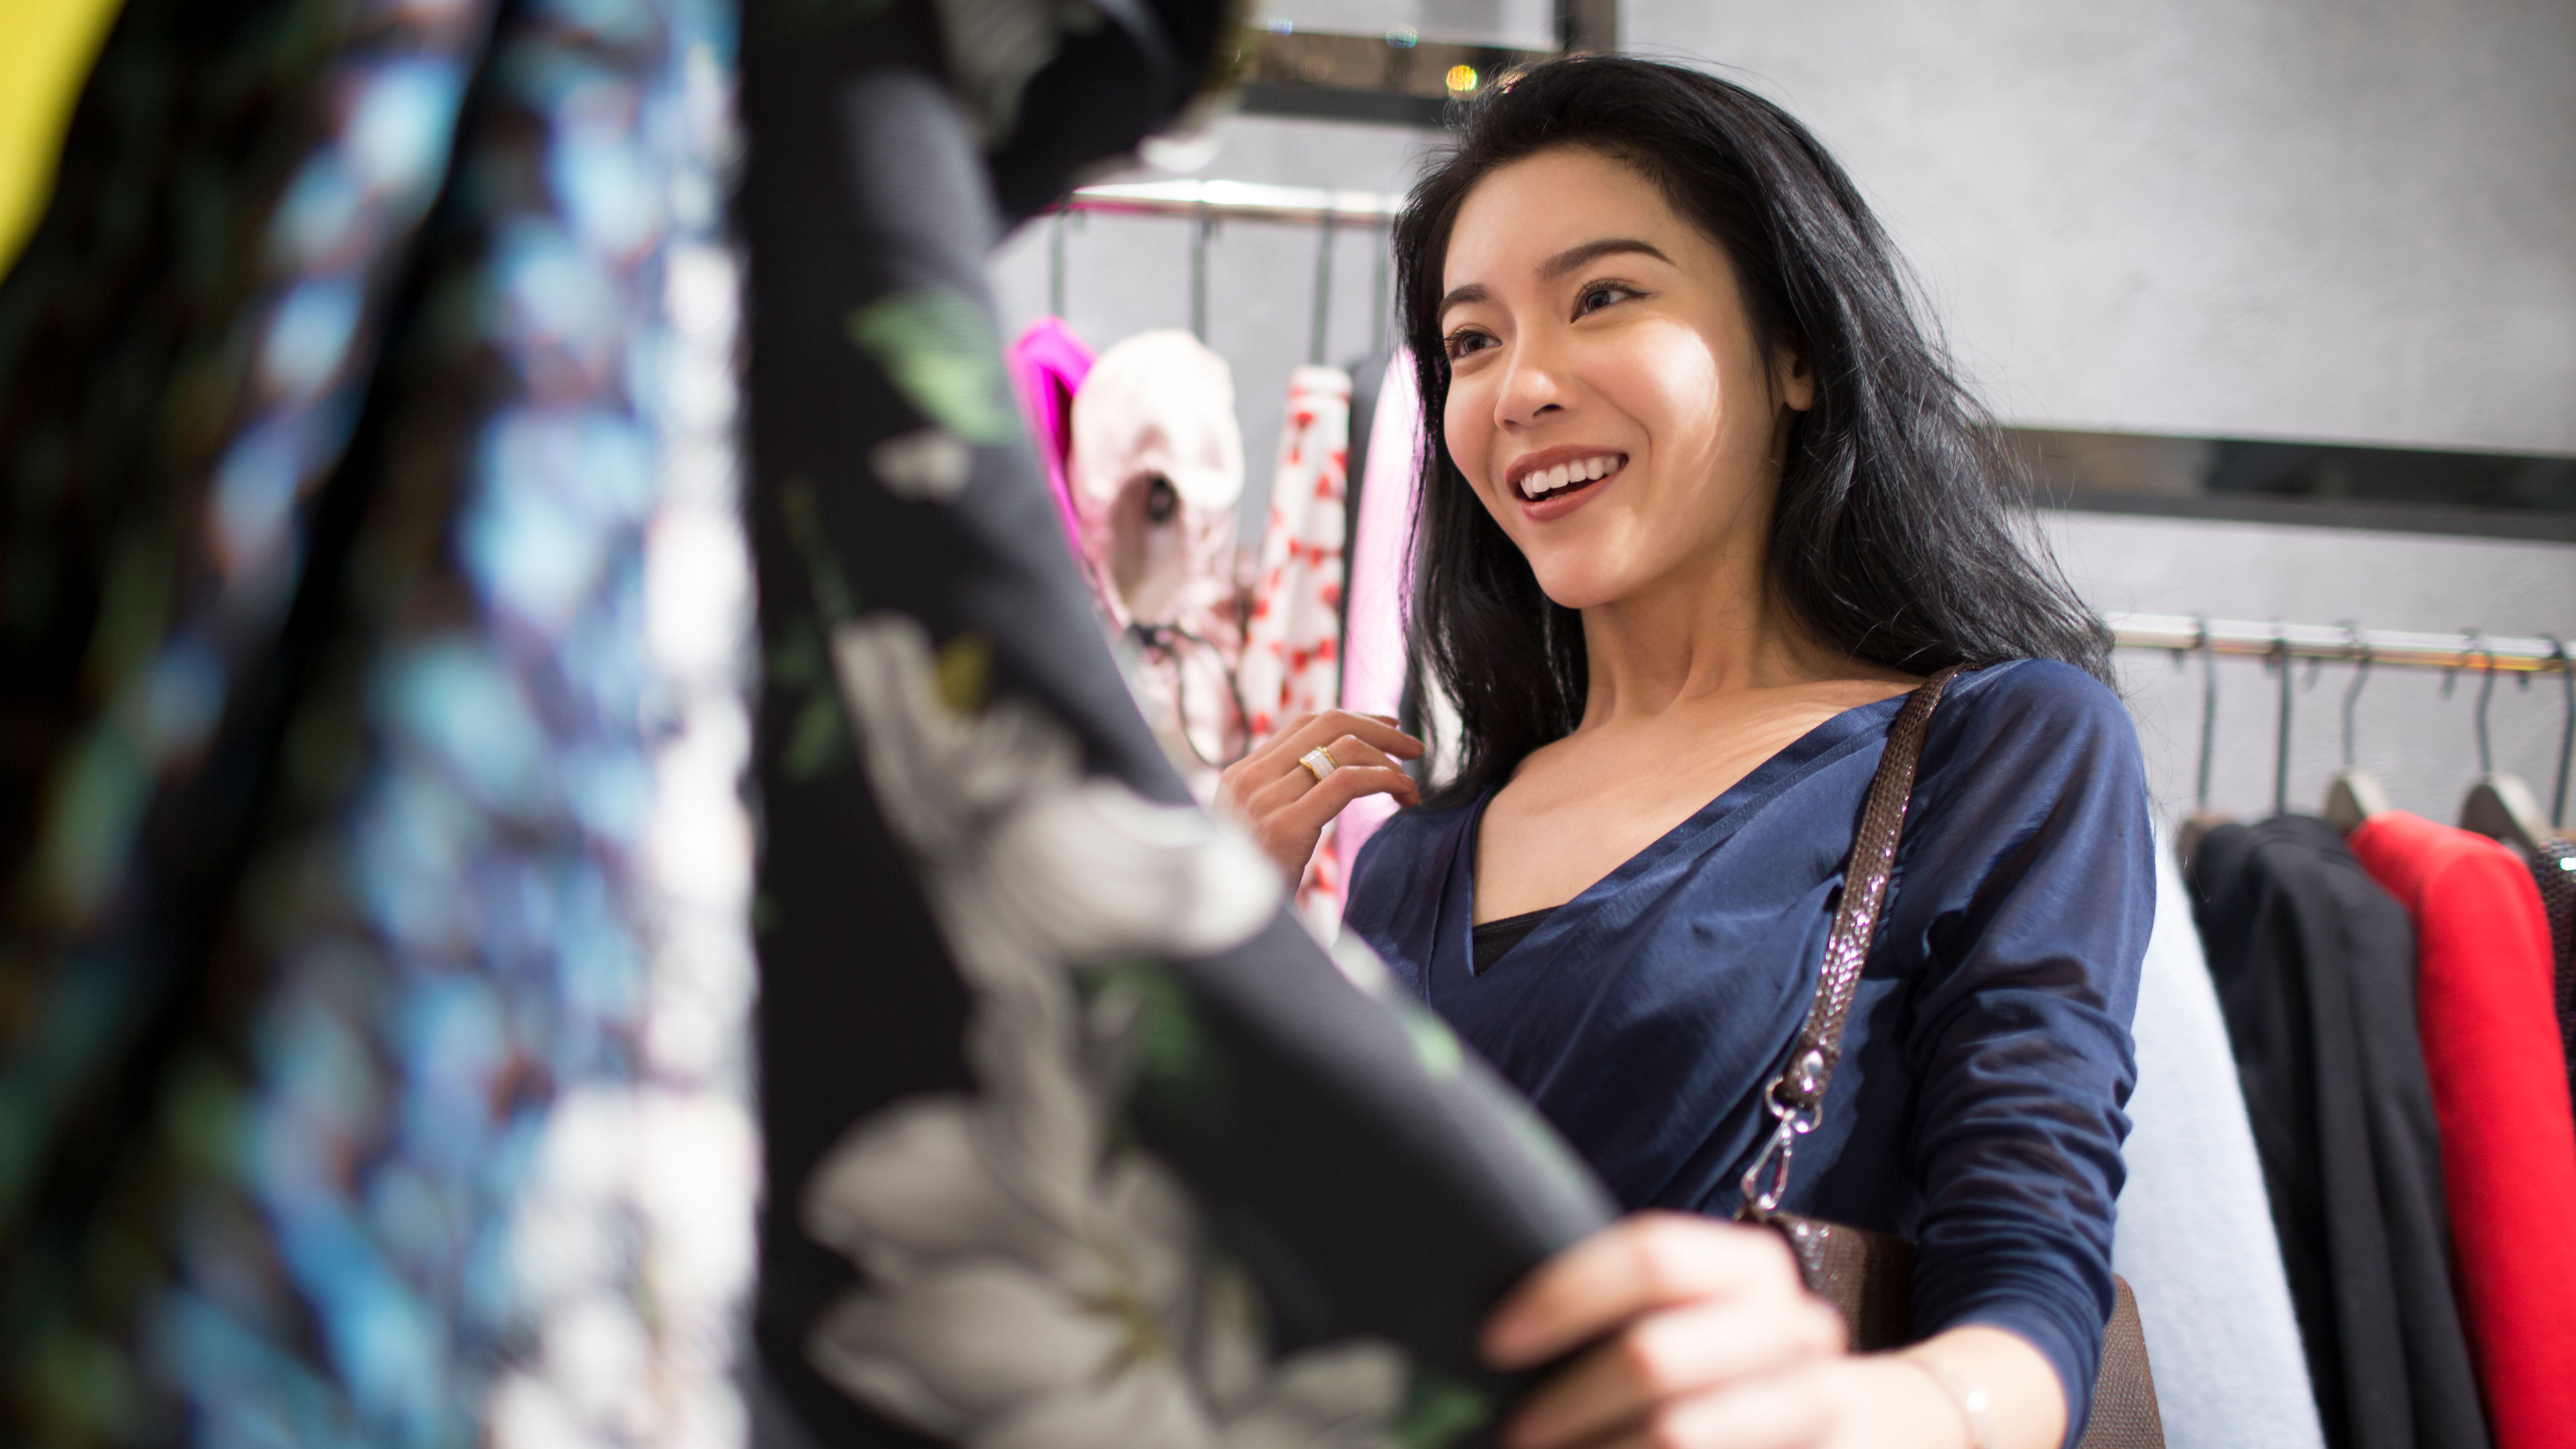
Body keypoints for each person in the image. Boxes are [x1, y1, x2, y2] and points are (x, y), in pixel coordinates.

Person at [1217, 56, 2152, 1449]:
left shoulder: (1998, 747)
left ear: (1795, 353)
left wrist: (1891, 1415)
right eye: (1471, 342)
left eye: (1604, 297)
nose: (1520, 386)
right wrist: (1199, 957)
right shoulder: (1409, 860)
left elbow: (2030, 1265)